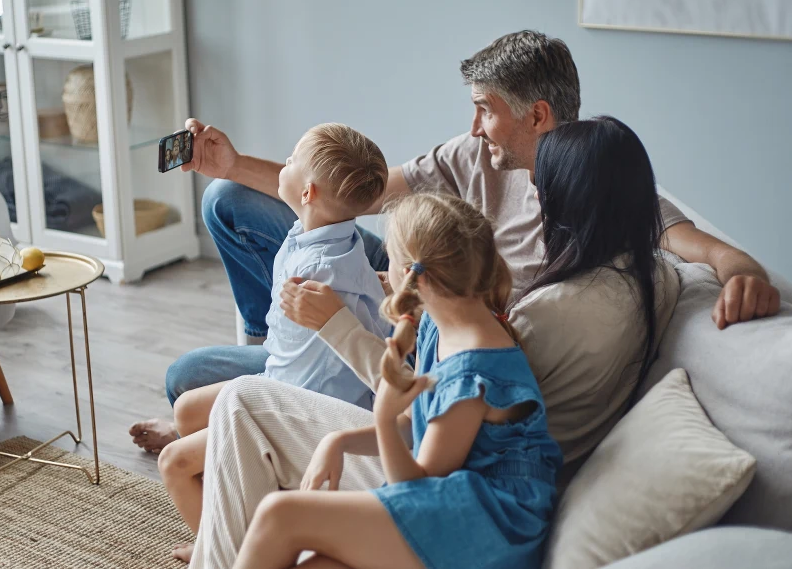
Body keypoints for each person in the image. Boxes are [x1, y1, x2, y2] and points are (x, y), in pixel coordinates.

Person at [128, 29, 781, 457]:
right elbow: (353, 193)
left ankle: (276, 380)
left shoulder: (594, 192)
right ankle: (277, 344)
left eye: (485, 108)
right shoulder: (471, 155)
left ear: (537, 116)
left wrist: (739, 265)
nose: (473, 125)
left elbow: (691, 239)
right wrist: (233, 163)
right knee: (230, 203)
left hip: (434, 318)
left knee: (183, 379)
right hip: (404, 271)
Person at [193, 115, 677, 567]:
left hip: (471, 516)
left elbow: (421, 478)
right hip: (445, 485)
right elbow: (416, 428)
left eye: (541, 186)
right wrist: (345, 436)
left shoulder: (486, 360)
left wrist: (375, 406)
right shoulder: (444, 322)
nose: (533, 192)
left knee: (262, 465)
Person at [233, 193, 563, 569]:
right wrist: (338, 440)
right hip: (456, 500)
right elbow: (415, 426)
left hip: (491, 526)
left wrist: (386, 419)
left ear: (411, 275)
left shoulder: (474, 373)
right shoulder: (440, 325)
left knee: (281, 513)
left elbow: (416, 487)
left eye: (389, 257)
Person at [155, 124, 392, 555]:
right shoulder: (330, 236)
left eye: (291, 159)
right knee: (187, 411)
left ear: (308, 193)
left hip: (295, 404)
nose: (283, 162)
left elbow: (322, 372)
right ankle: (229, 515)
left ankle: (221, 551)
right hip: (281, 373)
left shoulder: (320, 273)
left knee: (173, 463)